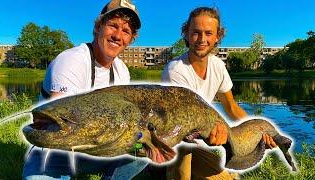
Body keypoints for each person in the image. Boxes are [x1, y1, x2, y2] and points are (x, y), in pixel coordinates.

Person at [23, 0, 148, 179]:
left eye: (126, 31)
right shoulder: (70, 61)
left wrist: (136, 141)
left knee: (140, 153)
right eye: (113, 26)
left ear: (130, 39)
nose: (118, 36)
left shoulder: (122, 71)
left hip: (101, 144)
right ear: (98, 27)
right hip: (56, 149)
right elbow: (60, 125)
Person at [162, 7, 277, 179]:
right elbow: (183, 123)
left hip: (197, 141)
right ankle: (164, 170)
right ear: (186, 34)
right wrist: (212, 133)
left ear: (217, 37)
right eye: (196, 32)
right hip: (174, 141)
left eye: (208, 33)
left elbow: (231, 107)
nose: (202, 39)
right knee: (183, 144)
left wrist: (259, 132)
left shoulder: (218, 66)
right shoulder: (176, 70)